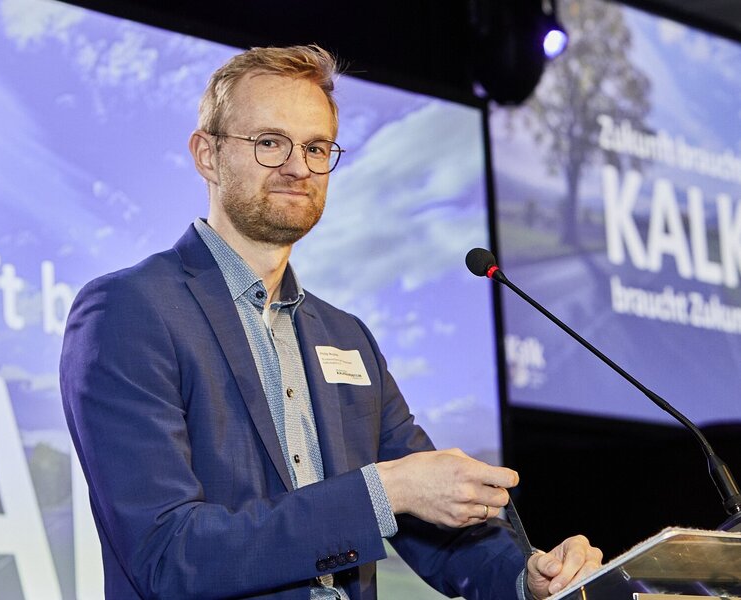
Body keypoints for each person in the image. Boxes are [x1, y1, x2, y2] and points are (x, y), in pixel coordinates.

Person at [60, 44, 602, 600]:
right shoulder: (128, 311)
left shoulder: (347, 337)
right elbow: (168, 555)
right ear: (207, 155)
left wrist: (530, 576)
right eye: (270, 142)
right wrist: (383, 491)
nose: (298, 167)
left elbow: (433, 522)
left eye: (316, 147)